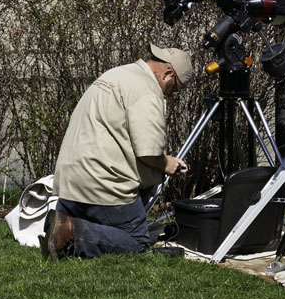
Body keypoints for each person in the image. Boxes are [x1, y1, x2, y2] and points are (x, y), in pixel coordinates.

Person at [42, 43, 193, 262]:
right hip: (102, 182)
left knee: (96, 219)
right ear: (168, 74)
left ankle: (61, 221)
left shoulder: (118, 74)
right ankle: (71, 231)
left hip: (72, 177)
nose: (171, 95)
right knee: (137, 242)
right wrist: (168, 163)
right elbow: (148, 152)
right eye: (175, 88)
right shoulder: (146, 89)